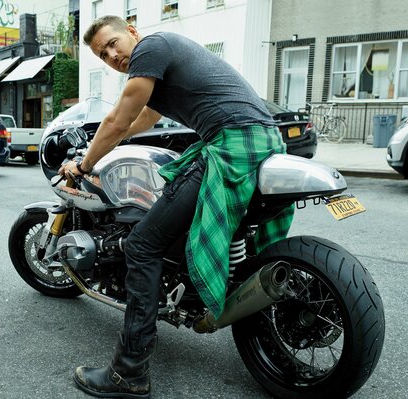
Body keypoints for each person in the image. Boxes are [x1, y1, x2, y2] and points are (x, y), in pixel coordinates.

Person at [59, 15, 292, 398]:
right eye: (103, 54)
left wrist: (84, 164)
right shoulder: (161, 63)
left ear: (132, 31)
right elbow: (141, 118)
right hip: (263, 139)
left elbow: (120, 120)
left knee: (141, 245)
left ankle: (128, 372)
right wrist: (96, 139)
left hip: (232, 145)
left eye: (113, 42)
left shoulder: (152, 48)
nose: (112, 54)